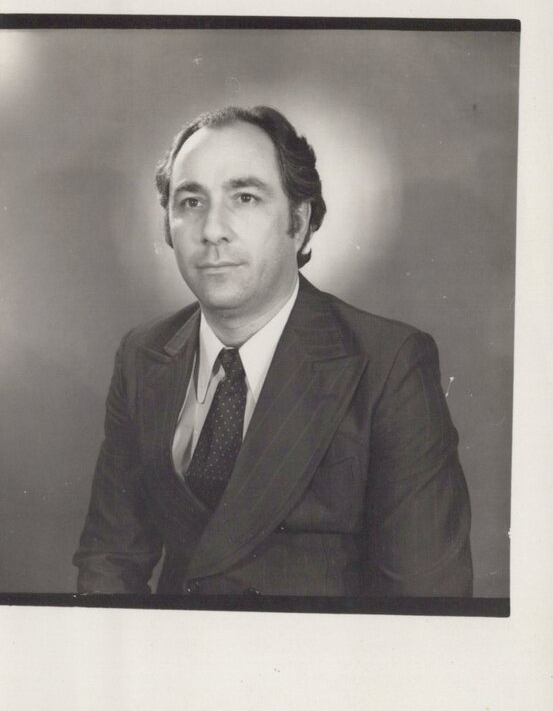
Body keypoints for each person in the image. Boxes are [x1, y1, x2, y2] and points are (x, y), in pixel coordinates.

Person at [73, 105, 472, 597]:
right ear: (167, 227)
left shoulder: (389, 363)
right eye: (191, 201)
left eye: (245, 197)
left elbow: (426, 601)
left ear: (299, 224)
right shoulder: (142, 354)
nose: (212, 230)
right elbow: (110, 559)